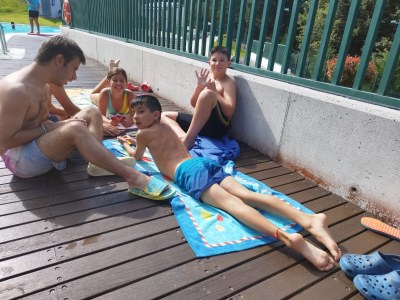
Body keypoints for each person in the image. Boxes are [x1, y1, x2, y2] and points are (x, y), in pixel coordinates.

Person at [117, 95, 342, 272]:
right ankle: (310, 220)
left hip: (187, 172)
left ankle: (287, 237)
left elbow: (137, 157)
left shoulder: (142, 135)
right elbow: (181, 140)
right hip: (201, 163)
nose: (135, 117)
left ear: (155, 115)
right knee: (248, 196)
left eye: (140, 112)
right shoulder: (165, 123)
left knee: (233, 206)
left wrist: (126, 144)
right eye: (133, 113)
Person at [0, 35, 170, 200]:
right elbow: (6, 142)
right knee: (75, 128)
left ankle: (97, 162)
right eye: (74, 68)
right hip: (21, 160)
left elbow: (66, 112)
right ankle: (133, 177)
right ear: (59, 60)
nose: (74, 77)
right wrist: (54, 127)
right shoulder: (17, 90)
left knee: (91, 112)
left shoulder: (45, 82)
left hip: (41, 141)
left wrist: (61, 124)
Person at [161, 46, 237, 149]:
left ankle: (188, 140)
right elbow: (193, 104)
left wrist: (215, 92)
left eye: (222, 60)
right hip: (201, 123)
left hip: (217, 128)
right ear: (209, 63)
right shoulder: (208, 77)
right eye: (214, 60)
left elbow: (229, 111)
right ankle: (183, 136)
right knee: (163, 116)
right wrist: (199, 87)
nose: (217, 63)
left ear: (229, 63)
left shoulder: (228, 83)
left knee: (207, 94)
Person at [48, 83, 121, 136]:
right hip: (46, 126)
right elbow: (70, 109)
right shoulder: (52, 79)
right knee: (91, 113)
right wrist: (99, 125)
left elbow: (49, 107)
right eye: (74, 69)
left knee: (86, 113)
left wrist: (68, 115)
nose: (74, 77)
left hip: (47, 121)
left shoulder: (46, 76)